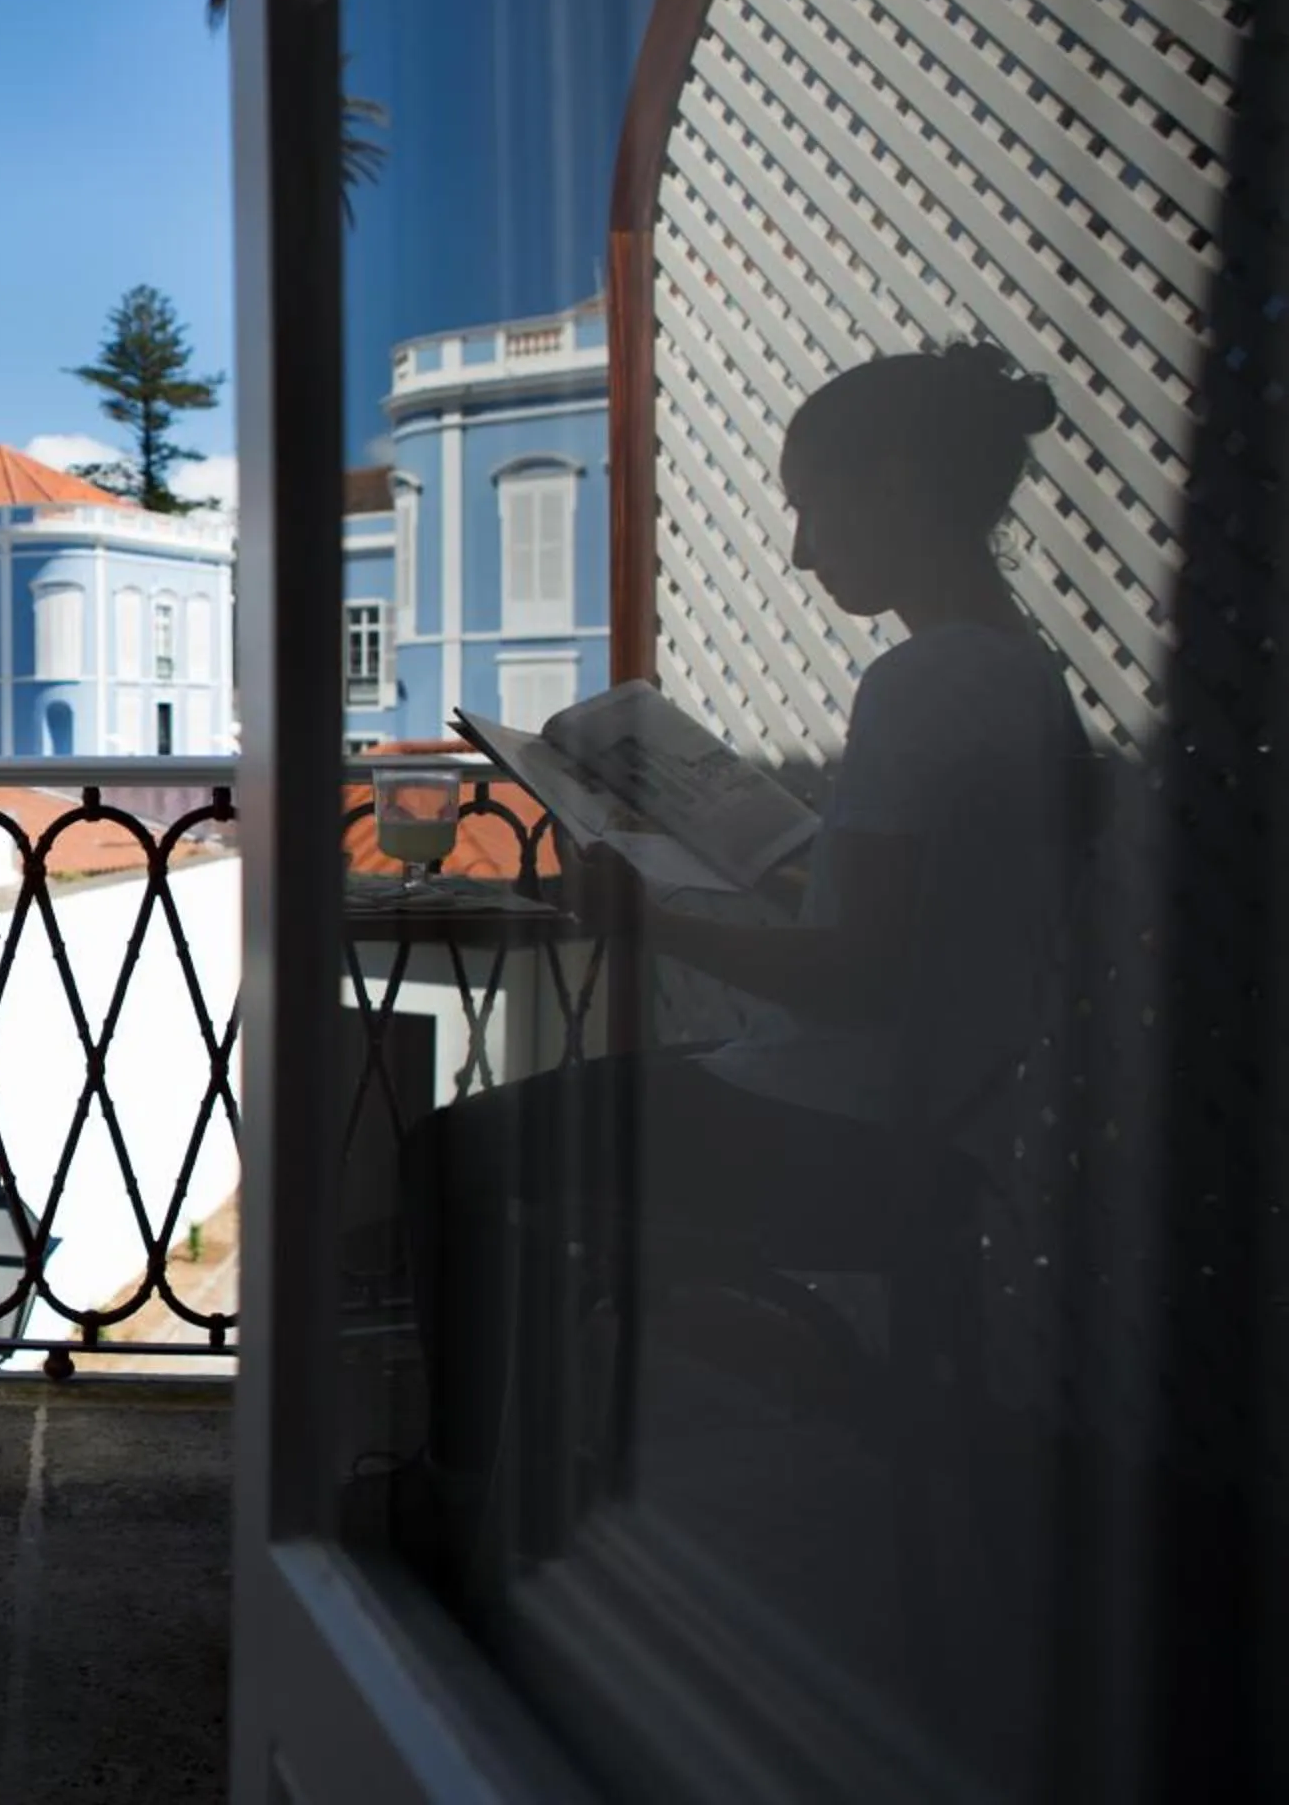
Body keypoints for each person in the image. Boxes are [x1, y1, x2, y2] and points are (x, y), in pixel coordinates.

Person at [399, 340, 1091, 1597]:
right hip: (935, 1115)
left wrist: (644, 920)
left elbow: (853, 978)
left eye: (810, 509)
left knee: (454, 1151)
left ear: (887, 481)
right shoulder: (1017, 672)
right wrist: (732, 854)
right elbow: (893, 923)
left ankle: (470, 1498)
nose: (801, 553)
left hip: (838, 1118)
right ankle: (545, 1465)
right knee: (550, 1129)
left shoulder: (922, 683)